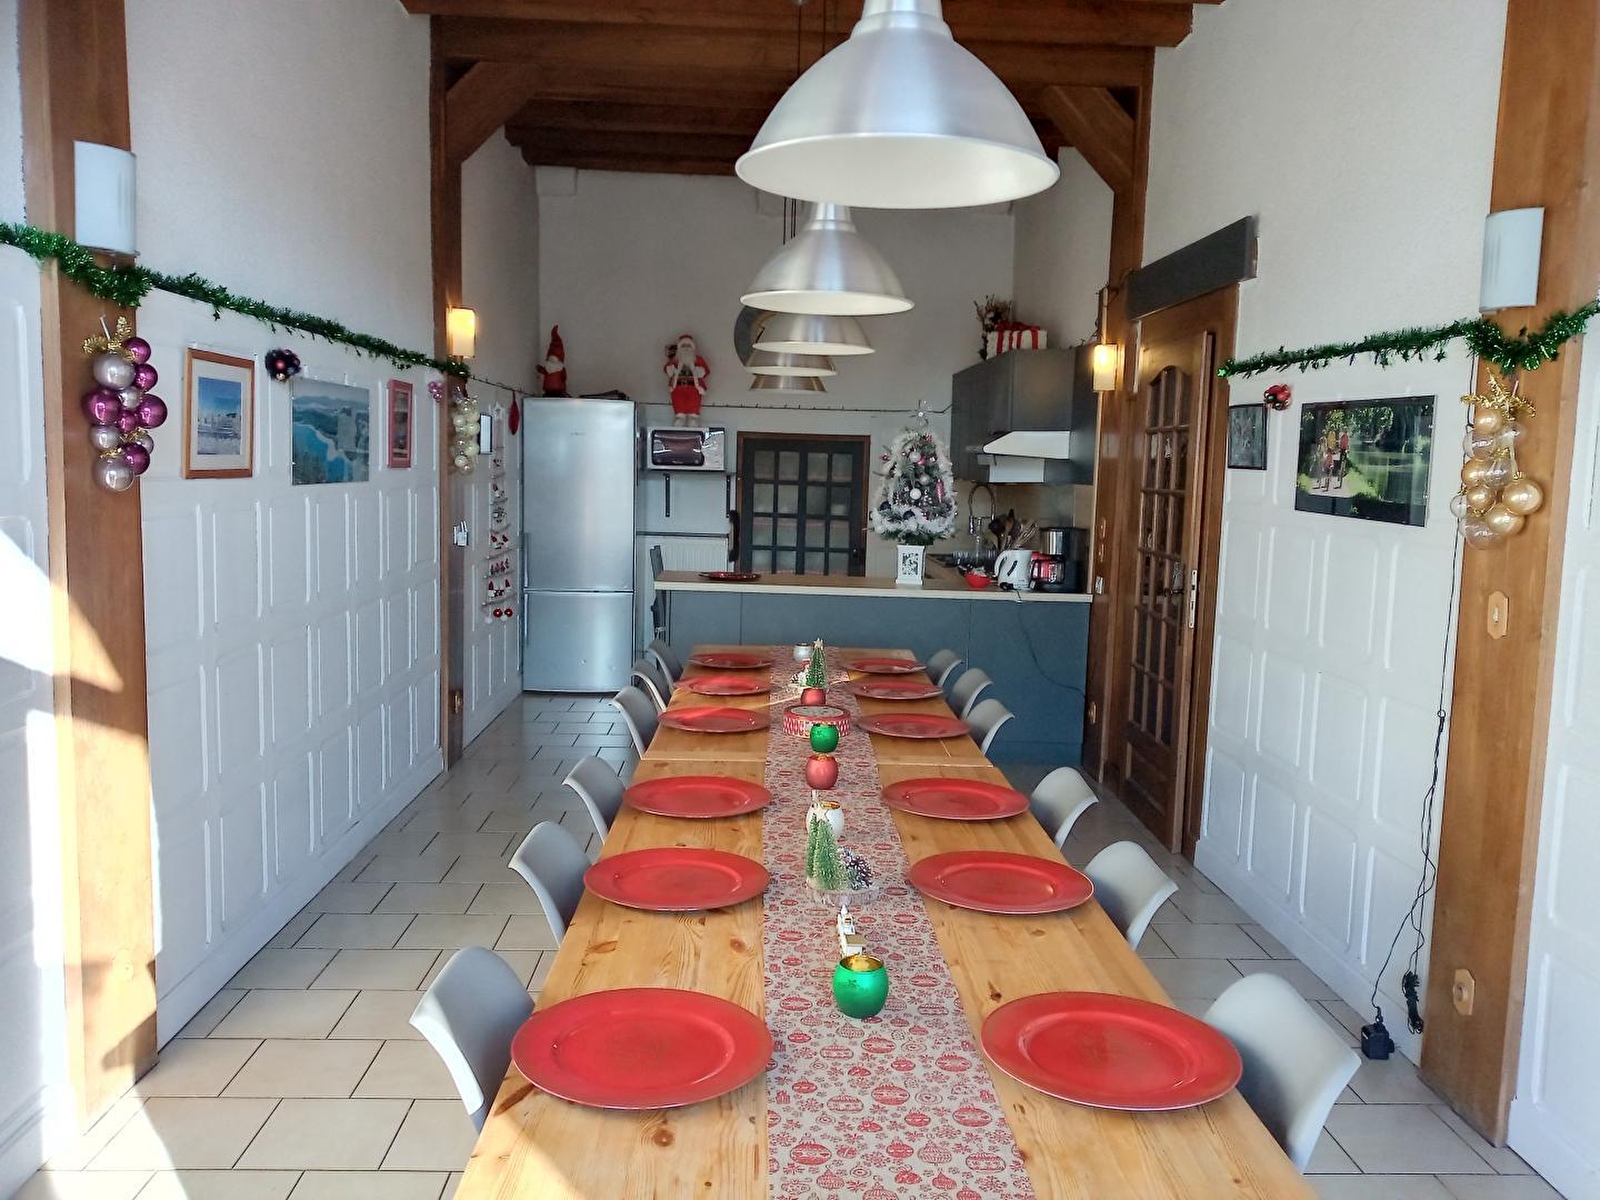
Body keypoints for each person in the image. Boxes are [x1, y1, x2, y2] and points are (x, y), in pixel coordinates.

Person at [664, 333, 709, 426]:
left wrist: (699, 371)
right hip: (678, 388)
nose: (686, 348)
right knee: (679, 405)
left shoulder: (698, 359)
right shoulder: (675, 360)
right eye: (683, 345)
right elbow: (668, 370)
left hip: (693, 388)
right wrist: (671, 369)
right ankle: (680, 418)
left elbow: (705, 371)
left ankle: (693, 418)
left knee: (694, 405)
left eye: (688, 345)